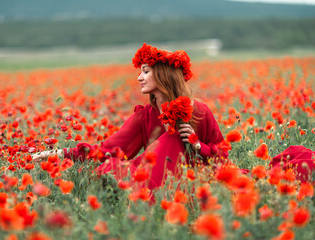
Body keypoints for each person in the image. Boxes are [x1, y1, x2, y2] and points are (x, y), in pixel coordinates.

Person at [33, 43, 228, 189]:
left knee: (173, 134)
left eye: (146, 71)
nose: (139, 77)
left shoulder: (199, 111)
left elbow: (222, 158)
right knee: (112, 168)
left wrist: (197, 146)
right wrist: (58, 154)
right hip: (155, 183)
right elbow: (107, 150)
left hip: (199, 182)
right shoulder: (144, 116)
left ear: (163, 75)